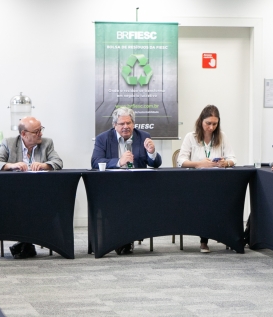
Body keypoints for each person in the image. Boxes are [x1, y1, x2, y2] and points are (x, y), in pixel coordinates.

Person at [0, 116, 63, 259]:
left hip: (40, 193)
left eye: (41, 130)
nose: (41, 134)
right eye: (36, 131)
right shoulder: (9, 143)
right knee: (23, 206)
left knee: (37, 205)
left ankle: (27, 243)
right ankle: (26, 243)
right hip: (14, 194)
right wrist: (11, 165)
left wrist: (44, 165)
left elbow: (58, 162)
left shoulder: (47, 143)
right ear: (23, 134)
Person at [92, 107, 162, 254]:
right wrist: (119, 162)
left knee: (132, 201)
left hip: (138, 185)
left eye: (129, 123)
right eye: (122, 124)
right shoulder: (103, 139)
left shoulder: (143, 136)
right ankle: (122, 240)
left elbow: (155, 164)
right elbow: (95, 162)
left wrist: (152, 152)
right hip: (113, 186)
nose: (126, 127)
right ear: (114, 125)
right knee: (118, 202)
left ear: (134, 123)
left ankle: (124, 240)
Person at [177, 105, 236, 253]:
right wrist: (199, 163)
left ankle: (221, 235)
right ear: (201, 121)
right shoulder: (191, 137)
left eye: (214, 124)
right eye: (208, 123)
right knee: (205, 200)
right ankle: (204, 240)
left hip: (217, 181)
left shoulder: (221, 136)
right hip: (196, 182)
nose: (211, 127)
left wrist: (225, 163)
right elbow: (181, 161)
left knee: (222, 198)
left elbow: (232, 158)